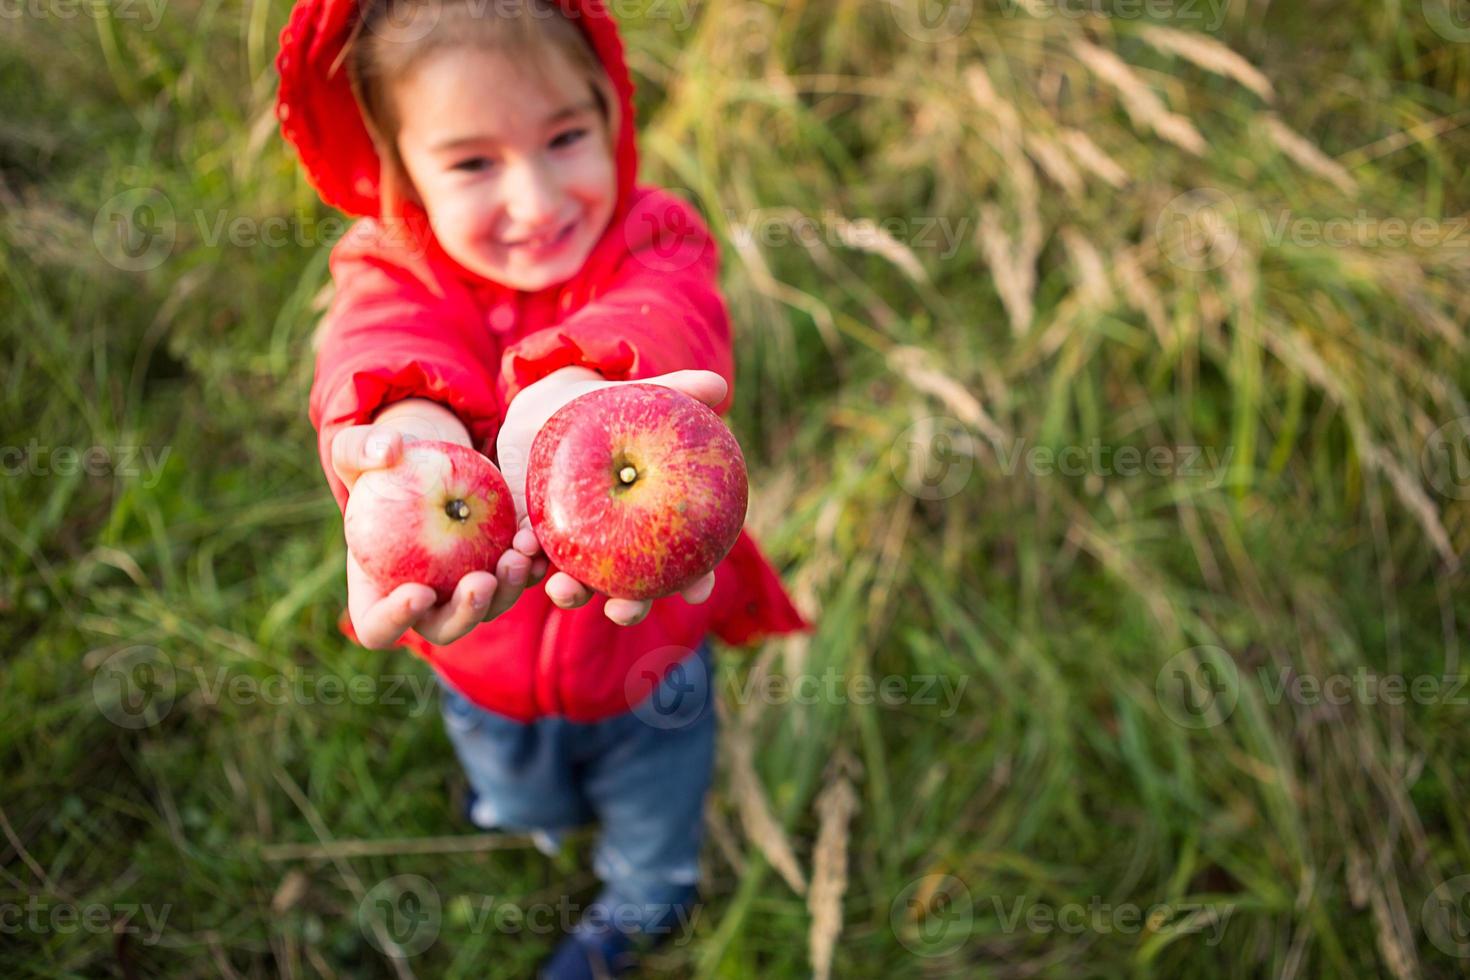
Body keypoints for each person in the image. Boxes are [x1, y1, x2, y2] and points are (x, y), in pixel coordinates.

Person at [274, 0, 810, 974]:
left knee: (653, 808)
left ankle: (643, 898)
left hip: (651, 660)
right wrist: (406, 435)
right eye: (473, 162)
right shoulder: (390, 266)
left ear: (612, 114)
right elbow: (383, 344)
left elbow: (667, 313)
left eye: (566, 135)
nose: (535, 196)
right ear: (400, 167)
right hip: (484, 662)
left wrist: (576, 388)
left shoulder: (656, 239)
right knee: (518, 787)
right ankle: (539, 820)